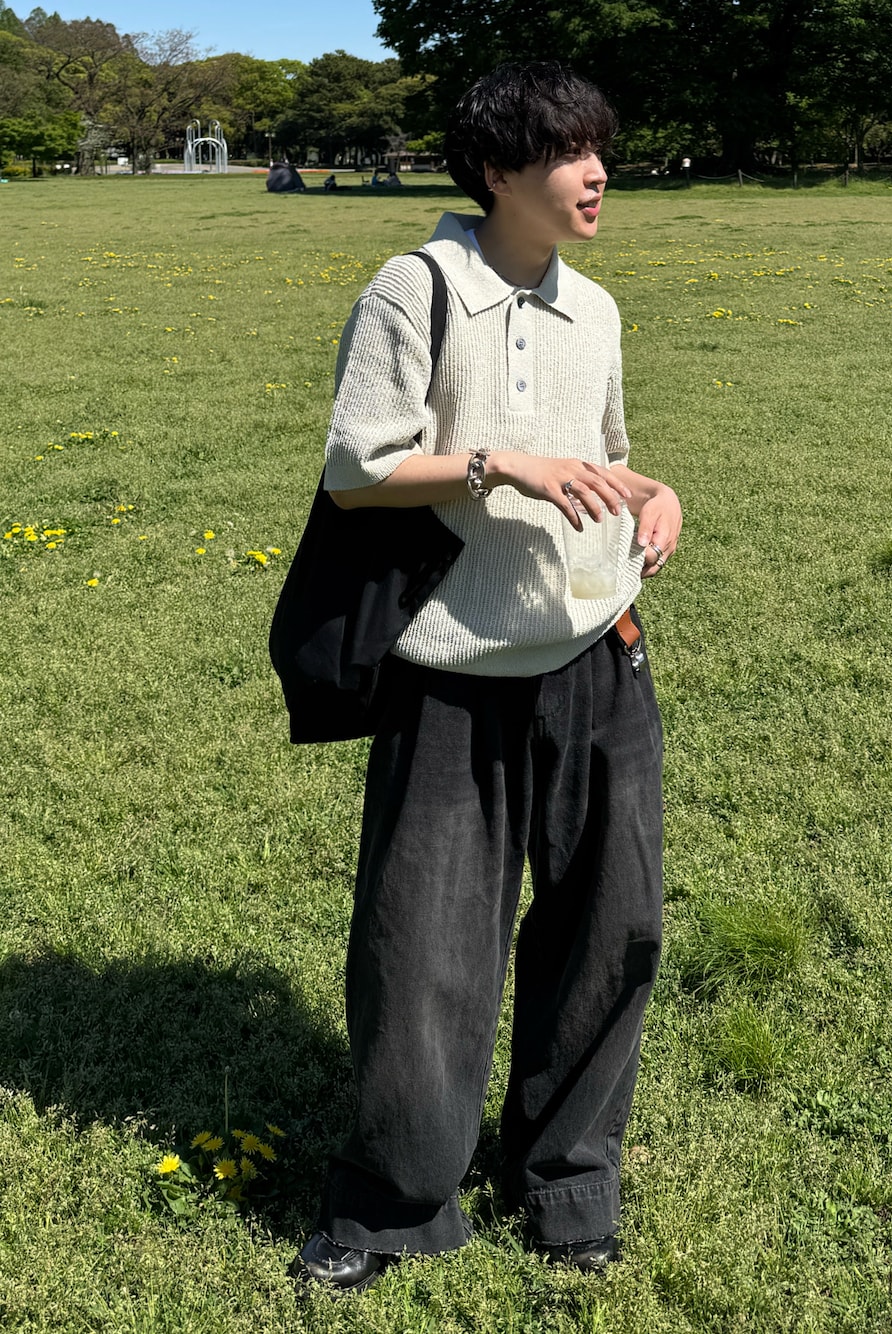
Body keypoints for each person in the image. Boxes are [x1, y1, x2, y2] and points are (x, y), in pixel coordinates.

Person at [290, 60, 682, 1295]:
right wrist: (494, 463)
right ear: (499, 171)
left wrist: (658, 493)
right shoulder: (416, 288)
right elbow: (358, 468)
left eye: (599, 148)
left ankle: (568, 1185)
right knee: (421, 951)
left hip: (599, 654)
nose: (597, 173)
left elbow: (607, 455)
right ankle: (395, 1201)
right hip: (453, 669)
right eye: (569, 153)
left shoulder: (595, 309)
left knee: (609, 932)